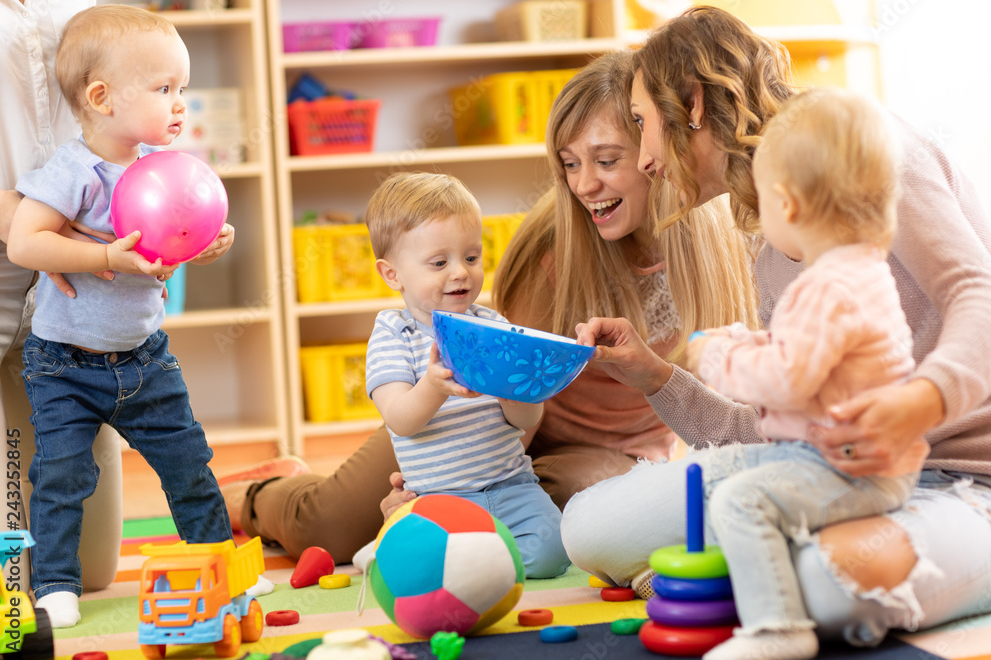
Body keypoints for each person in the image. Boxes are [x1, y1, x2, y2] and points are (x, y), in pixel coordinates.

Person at [219, 50, 758, 566]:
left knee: (571, 506)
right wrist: (437, 484)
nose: (585, 184)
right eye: (570, 163)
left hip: (599, 453)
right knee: (329, 526)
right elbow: (494, 376)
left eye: (608, 160)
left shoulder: (724, 250)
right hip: (476, 422)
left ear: (655, 153)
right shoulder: (550, 247)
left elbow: (722, 410)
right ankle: (257, 492)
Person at [564, 5, 991, 653]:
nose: (646, 159)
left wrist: (921, 401)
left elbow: (977, 292)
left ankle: (796, 564)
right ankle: (774, 558)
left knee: (825, 586)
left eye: (643, 124)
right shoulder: (772, 256)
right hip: (823, 472)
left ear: (694, 105)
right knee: (593, 528)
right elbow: (769, 428)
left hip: (960, 479)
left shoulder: (868, 155)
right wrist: (659, 378)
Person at [5, 4, 248, 628]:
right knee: (60, 474)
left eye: (182, 90)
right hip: (64, 363)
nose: (178, 105)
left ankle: (220, 563)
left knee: (189, 462)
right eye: (165, 89)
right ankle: (55, 584)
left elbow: (172, 238)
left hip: (144, 358)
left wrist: (205, 241)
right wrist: (103, 254)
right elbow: (24, 244)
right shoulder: (72, 170)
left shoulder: (160, 170)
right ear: (102, 97)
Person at [681, 88, 928, 660]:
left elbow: (788, 379)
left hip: (847, 469)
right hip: (834, 456)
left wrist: (716, 359)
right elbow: (805, 353)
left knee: (740, 500)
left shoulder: (827, 286)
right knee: (712, 475)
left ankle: (777, 626)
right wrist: (739, 340)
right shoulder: (854, 272)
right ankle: (743, 587)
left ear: (787, 205)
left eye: (762, 200)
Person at [356, 171, 569, 578]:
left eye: (471, 257)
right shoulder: (392, 334)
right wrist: (434, 386)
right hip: (438, 499)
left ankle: (476, 570)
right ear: (392, 275)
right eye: (440, 262)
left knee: (553, 552)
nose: (460, 272)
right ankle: (455, 563)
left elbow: (525, 420)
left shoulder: (492, 326)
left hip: (511, 487)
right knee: (419, 565)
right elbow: (400, 419)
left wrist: (519, 392)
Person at [0, 0, 124, 601]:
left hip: (70, 283)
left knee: (89, 572)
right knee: (7, 586)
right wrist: (22, 218)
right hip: (6, 257)